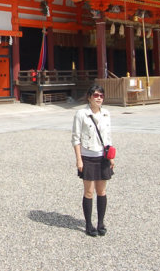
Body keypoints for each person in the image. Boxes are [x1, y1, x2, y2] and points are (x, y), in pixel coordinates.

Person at [72, 85, 114, 237]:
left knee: (101, 191)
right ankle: (89, 224)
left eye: (101, 96)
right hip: (88, 156)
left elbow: (108, 137)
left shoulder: (106, 114)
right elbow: (76, 139)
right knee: (89, 192)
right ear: (89, 97)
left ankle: (101, 222)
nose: (99, 98)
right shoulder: (81, 114)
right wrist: (79, 159)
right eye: (96, 95)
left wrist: (111, 157)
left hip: (102, 156)